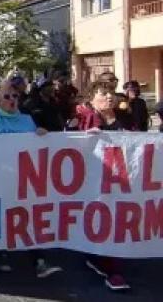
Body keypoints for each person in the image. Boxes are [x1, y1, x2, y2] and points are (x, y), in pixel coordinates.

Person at [0, 79, 62, 278]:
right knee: (1, 214)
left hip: (24, 177)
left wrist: (42, 135)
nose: (12, 100)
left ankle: (39, 261)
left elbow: (36, 142)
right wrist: (3, 89)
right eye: (7, 97)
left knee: (28, 216)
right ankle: (3, 253)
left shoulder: (26, 119)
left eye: (15, 96)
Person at [75, 82, 134, 291]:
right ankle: (110, 268)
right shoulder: (84, 118)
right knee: (101, 219)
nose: (109, 97)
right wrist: (84, 138)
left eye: (111, 93)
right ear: (92, 98)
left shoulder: (125, 118)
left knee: (116, 219)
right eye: (103, 93)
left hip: (121, 179)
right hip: (94, 180)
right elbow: (66, 144)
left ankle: (104, 258)